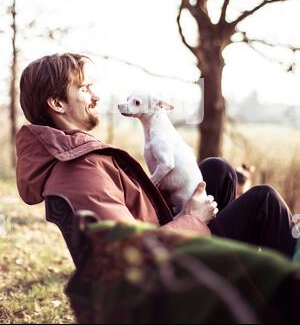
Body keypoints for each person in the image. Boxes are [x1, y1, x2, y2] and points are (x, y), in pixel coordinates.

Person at [15, 53, 297, 259]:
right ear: (57, 104)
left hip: (166, 233)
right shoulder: (79, 172)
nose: (96, 96)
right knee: (264, 200)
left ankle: (245, 274)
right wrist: (193, 218)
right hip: (173, 272)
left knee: (218, 170)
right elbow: (131, 252)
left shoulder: (75, 155)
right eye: (85, 88)